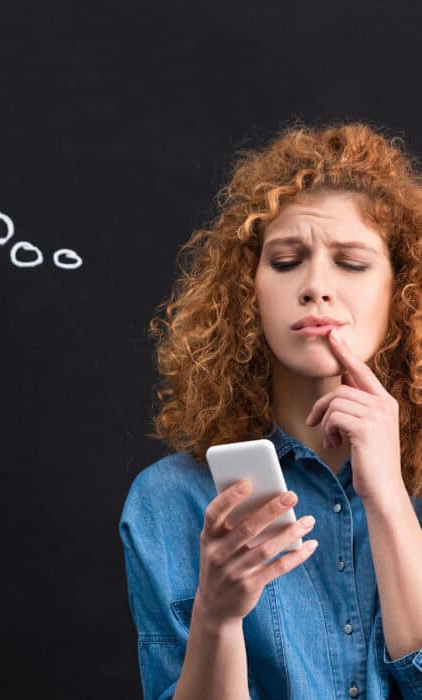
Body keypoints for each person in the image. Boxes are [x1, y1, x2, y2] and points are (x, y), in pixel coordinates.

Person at [118, 120, 422, 700]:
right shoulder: (169, 501)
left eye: (351, 263)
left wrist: (386, 496)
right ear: (246, 292)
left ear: (402, 290)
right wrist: (217, 618)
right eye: (285, 261)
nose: (315, 287)